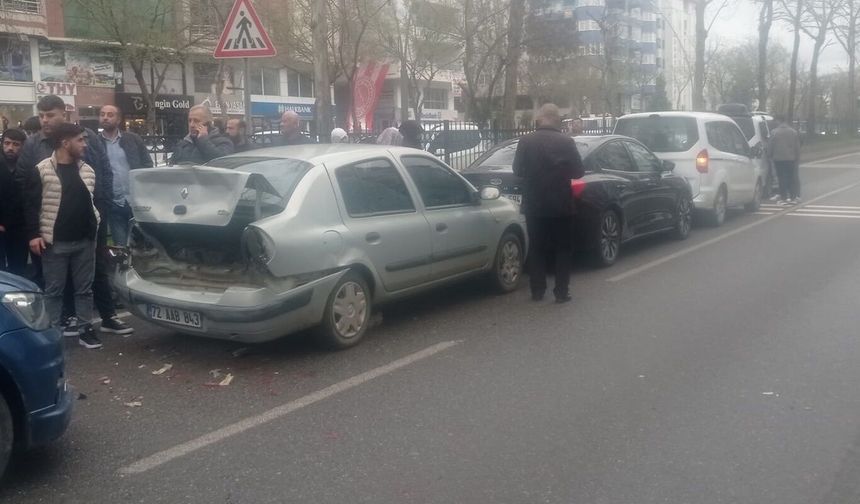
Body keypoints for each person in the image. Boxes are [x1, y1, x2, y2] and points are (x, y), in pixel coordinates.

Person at [17, 95, 132, 338]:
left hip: (90, 219)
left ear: (64, 113)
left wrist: (101, 209)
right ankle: (62, 321)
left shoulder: (88, 139)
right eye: (42, 115)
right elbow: (25, 184)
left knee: (96, 270)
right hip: (51, 226)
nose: (45, 120)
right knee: (55, 280)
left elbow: (102, 174)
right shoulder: (34, 144)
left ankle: (107, 316)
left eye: (50, 115)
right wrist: (35, 230)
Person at [20, 123, 103, 349]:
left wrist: (96, 226)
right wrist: (34, 235)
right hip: (54, 242)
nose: (85, 144)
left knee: (84, 289)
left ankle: (86, 330)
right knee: (54, 291)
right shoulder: (42, 169)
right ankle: (53, 334)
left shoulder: (87, 170)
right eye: (80, 140)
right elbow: (30, 205)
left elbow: (95, 201)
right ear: (65, 143)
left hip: (85, 240)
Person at [512, 103, 584, 304]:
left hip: (534, 204)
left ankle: (537, 290)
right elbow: (578, 172)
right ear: (556, 119)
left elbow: (517, 170)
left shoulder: (526, 141)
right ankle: (561, 292)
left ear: (540, 118)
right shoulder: (567, 142)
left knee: (536, 247)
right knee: (563, 248)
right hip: (561, 204)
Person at [99, 105, 153, 247]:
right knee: (121, 247)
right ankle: (124, 269)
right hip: (114, 203)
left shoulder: (133, 139)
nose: (105, 117)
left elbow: (147, 165)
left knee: (145, 244)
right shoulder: (95, 143)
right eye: (102, 114)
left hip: (137, 202)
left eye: (110, 115)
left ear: (118, 119)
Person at [0, 129, 27, 275]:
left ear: (23, 146)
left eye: (16, 144)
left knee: (19, 269)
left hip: (20, 227)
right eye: (7, 143)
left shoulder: (27, 167)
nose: (10, 148)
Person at [170, 105, 234, 165]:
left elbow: (222, 163)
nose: (191, 125)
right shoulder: (183, 144)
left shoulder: (223, 142)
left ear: (208, 124)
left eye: (196, 121)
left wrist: (203, 140)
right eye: (189, 121)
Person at [767, 114, 802, 206]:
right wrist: (797, 157)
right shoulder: (793, 132)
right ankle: (793, 197)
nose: (774, 123)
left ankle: (783, 198)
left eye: (775, 121)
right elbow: (797, 147)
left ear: (779, 121)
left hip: (778, 159)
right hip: (791, 159)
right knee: (791, 178)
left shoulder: (774, 132)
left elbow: (770, 146)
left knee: (781, 178)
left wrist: (769, 155)